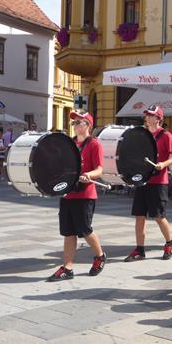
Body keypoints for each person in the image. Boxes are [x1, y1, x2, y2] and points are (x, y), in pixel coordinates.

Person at [47, 111, 107, 281]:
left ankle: (100, 255)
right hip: (68, 193)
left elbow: (100, 169)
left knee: (85, 230)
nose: (75, 126)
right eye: (74, 123)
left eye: (79, 122)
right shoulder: (70, 144)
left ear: (88, 125)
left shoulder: (94, 144)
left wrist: (88, 174)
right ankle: (67, 267)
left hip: (85, 194)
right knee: (68, 232)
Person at [124, 105, 172, 262]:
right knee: (139, 216)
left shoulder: (165, 135)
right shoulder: (143, 134)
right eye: (147, 115)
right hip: (142, 180)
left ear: (158, 119)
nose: (147, 117)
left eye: (151, 115)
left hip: (158, 182)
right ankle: (139, 249)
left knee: (158, 216)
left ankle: (169, 243)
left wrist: (164, 164)